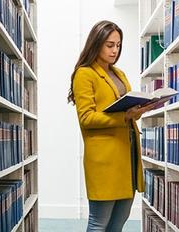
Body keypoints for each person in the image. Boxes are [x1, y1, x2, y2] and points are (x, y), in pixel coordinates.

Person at [68, 20, 156, 232]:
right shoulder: (84, 73)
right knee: (99, 223)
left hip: (127, 155)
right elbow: (86, 118)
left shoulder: (119, 74)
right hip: (105, 160)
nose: (115, 50)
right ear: (96, 43)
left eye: (118, 45)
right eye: (109, 45)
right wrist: (125, 116)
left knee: (119, 221)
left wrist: (140, 110)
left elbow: (125, 110)